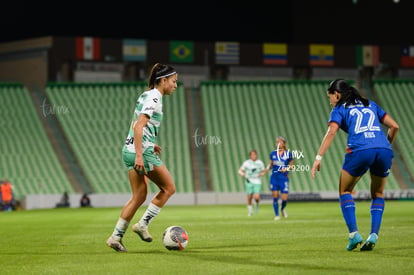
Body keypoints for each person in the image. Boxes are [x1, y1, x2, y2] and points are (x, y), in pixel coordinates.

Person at [311, 79, 399, 251]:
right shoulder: (370, 104)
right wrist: (384, 145)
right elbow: (394, 126)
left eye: (329, 97)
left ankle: (354, 234)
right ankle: (373, 235)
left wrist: (318, 158)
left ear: (336, 94)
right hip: (383, 150)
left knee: (345, 190)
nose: (329, 101)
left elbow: (331, 132)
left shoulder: (339, 109)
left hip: (360, 150)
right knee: (378, 193)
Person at [106, 63, 178, 252]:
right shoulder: (155, 97)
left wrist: (149, 143)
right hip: (140, 153)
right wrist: (141, 154)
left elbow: (138, 125)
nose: (175, 85)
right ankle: (143, 224)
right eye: (173, 81)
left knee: (138, 196)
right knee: (169, 188)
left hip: (128, 150)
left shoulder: (145, 94)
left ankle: (115, 237)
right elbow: (139, 126)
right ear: (163, 81)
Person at [264, 136, 294, 220]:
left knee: (284, 198)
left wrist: (286, 168)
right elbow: (270, 164)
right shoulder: (273, 154)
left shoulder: (288, 154)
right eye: (277, 142)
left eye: (280, 142)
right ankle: (277, 215)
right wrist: (266, 169)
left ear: (284, 143)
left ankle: (282, 208)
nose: (278, 144)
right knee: (275, 196)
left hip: (283, 178)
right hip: (274, 178)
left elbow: (292, 166)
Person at [238, 149, 266, 216]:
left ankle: (256, 204)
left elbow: (264, 171)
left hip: (257, 181)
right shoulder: (246, 163)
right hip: (249, 181)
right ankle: (250, 212)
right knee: (249, 197)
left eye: (255, 154)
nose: (253, 156)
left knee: (256, 197)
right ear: (250, 156)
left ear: (256, 155)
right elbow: (240, 171)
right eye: (252, 154)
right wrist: (244, 175)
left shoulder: (260, 162)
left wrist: (262, 174)